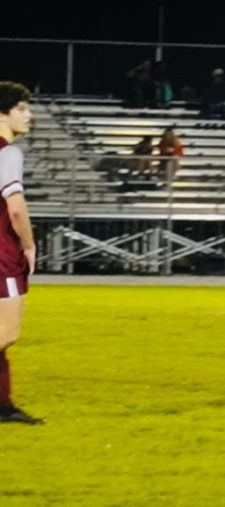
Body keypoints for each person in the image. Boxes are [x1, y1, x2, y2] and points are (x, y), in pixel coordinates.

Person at [0, 82, 42, 424]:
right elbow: (15, 207)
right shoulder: (8, 152)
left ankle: (3, 406)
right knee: (6, 334)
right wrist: (28, 245)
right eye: (22, 109)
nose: (29, 115)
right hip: (1, 254)